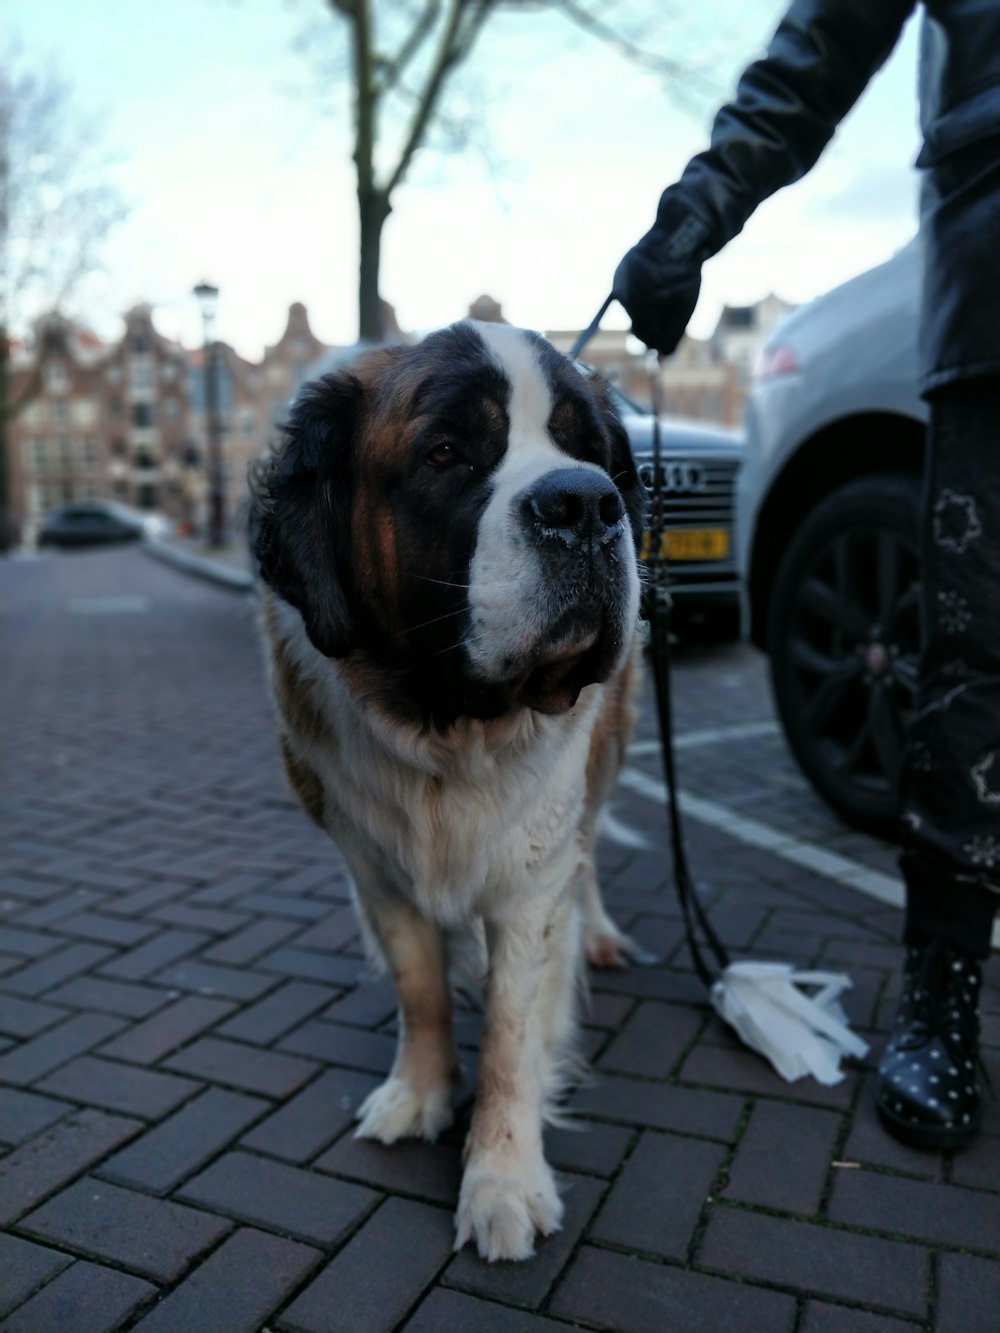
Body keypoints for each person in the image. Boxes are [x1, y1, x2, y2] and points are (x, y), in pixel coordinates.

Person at [612, 0, 999, 1151]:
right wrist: (694, 214)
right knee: (976, 651)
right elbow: (822, 42)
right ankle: (941, 985)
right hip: (993, 281)